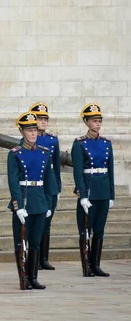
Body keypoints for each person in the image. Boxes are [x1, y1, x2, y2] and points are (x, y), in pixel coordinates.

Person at [8, 111, 53, 290]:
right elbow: (13, 182)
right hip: (24, 201)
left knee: (35, 242)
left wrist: (48, 204)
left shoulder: (44, 153)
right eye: (29, 130)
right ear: (22, 132)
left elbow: (48, 182)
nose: (33, 133)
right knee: (21, 242)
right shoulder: (15, 154)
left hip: (39, 201)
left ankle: (33, 276)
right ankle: (23, 277)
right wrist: (18, 206)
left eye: (35, 130)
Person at [72, 103, 114, 277]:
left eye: (99, 121)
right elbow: (78, 172)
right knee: (85, 229)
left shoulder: (106, 143)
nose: (98, 124)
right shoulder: (80, 144)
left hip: (103, 189)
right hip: (89, 190)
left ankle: (96, 264)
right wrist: (82, 195)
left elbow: (110, 170)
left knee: (99, 229)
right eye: (94, 121)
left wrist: (111, 194)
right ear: (87, 122)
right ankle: (87, 265)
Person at [27, 103, 61, 270]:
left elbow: (56, 166)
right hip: (36, 184)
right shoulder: (30, 138)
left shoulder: (52, 140)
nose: (43, 122)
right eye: (40, 119)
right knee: (37, 222)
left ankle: (44, 258)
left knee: (47, 222)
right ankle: (35, 258)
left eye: (45, 119)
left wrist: (58, 188)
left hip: (50, 185)